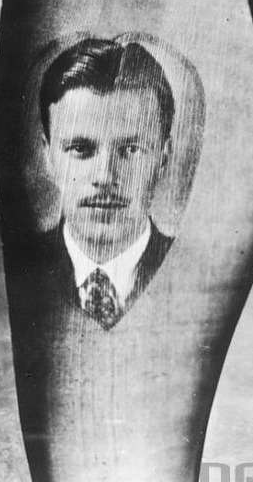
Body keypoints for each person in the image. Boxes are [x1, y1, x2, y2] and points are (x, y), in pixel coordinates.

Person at [39, 37, 174, 327]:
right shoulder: (22, 267)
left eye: (131, 150)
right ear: (48, 156)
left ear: (163, 159)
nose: (105, 177)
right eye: (80, 149)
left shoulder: (195, 270)